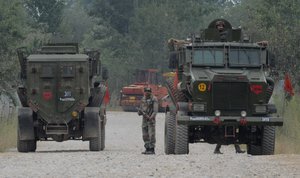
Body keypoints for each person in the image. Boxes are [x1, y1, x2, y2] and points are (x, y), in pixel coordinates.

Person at [138, 87, 158, 155]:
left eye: (148, 91)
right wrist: (140, 112)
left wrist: (151, 117)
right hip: (144, 119)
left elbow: (155, 111)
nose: (147, 93)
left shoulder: (154, 99)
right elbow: (141, 108)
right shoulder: (143, 99)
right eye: (146, 91)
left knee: (151, 134)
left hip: (151, 119)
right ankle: (147, 148)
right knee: (145, 134)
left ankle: (152, 149)